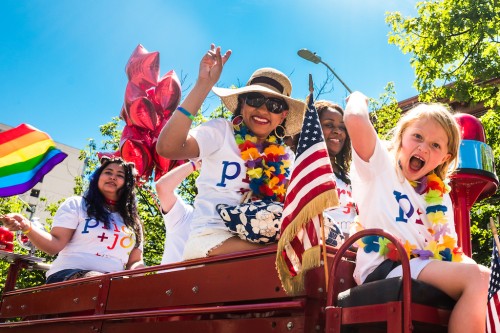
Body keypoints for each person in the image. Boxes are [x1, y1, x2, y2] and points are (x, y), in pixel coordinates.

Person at [344, 91, 490, 333]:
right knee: (479, 278)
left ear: (446, 157)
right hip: (385, 268)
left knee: (489, 280)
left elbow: (449, 250)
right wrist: (358, 98)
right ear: (402, 137)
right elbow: (356, 119)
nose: (423, 148)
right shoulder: (379, 167)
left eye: (435, 145)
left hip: (423, 267)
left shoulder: (440, 194)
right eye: (417, 137)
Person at [156, 44, 306, 260]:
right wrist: (204, 84)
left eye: (273, 105)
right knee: (281, 256)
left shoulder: (286, 158)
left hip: (265, 240)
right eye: (255, 100)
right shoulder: (220, 132)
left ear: (282, 116)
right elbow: (167, 147)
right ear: (242, 104)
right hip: (211, 238)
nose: (263, 110)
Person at [0, 156, 145, 283]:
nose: (112, 177)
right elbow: (54, 245)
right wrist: (27, 226)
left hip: (112, 285)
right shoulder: (77, 204)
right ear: (97, 178)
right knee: (97, 280)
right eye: (108, 172)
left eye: (120, 175)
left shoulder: (133, 222)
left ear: (127, 184)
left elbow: (135, 261)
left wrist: (141, 276)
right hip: (67, 276)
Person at [315, 100, 357, 239]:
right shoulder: (302, 170)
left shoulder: (350, 175)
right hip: (325, 251)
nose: (338, 131)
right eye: (329, 125)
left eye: (342, 127)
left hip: (357, 249)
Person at [156, 159, 201, 265]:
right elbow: (163, 187)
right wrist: (197, 163)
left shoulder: (232, 219)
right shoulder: (185, 215)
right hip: (172, 280)